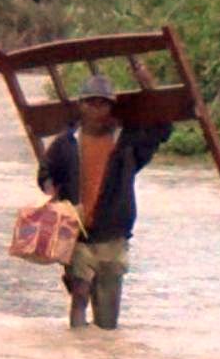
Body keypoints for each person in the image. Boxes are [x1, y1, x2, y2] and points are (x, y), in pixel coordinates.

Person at [37, 74, 172, 330]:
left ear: (112, 107)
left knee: (107, 322)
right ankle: (77, 354)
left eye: (103, 103)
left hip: (113, 237)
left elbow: (161, 130)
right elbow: (45, 171)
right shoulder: (66, 144)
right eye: (91, 102)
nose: (96, 109)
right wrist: (51, 191)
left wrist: (149, 85)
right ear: (81, 106)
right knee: (79, 296)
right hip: (78, 237)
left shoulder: (127, 144)